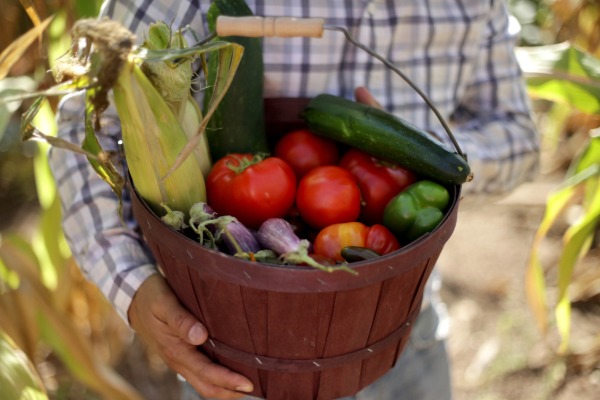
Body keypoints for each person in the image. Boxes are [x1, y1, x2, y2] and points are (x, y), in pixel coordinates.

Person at [49, 1, 539, 399]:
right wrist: (132, 287)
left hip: (404, 334)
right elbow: (86, 130)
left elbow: (517, 136)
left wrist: (417, 149)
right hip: (239, 351)